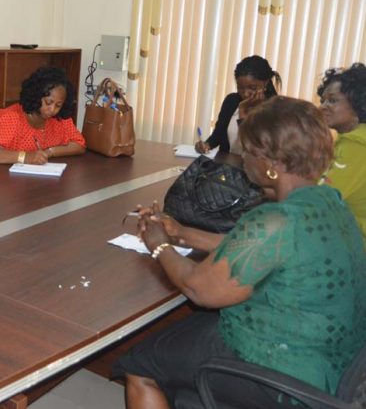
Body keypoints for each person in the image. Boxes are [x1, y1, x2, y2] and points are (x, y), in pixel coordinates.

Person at [115, 96, 366, 408]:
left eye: (248, 152)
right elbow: (256, 248)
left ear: (271, 165)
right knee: (181, 338)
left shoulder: (276, 219)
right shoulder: (329, 201)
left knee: (141, 364)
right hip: (331, 360)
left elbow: (198, 288)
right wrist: (182, 233)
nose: (243, 158)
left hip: (284, 370)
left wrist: (159, 245)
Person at [0, 66, 85, 167]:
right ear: (36, 95)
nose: (53, 110)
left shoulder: (59, 119)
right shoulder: (9, 118)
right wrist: (25, 157)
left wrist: (50, 152)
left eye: (58, 105)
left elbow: (79, 145)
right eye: (48, 102)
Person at [318, 63, 366, 241]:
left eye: (332, 100)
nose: (323, 106)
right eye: (322, 101)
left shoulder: (357, 143)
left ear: (358, 102)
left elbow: (319, 199)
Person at [195, 55, 281, 154]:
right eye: (240, 87)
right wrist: (206, 145)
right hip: (227, 165)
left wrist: (243, 113)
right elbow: (218, 135)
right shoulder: (231, 101)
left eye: (252, 88)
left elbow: (254, 150)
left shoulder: (274, 110)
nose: (245, 93)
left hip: (253, 168)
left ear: (265, 83)